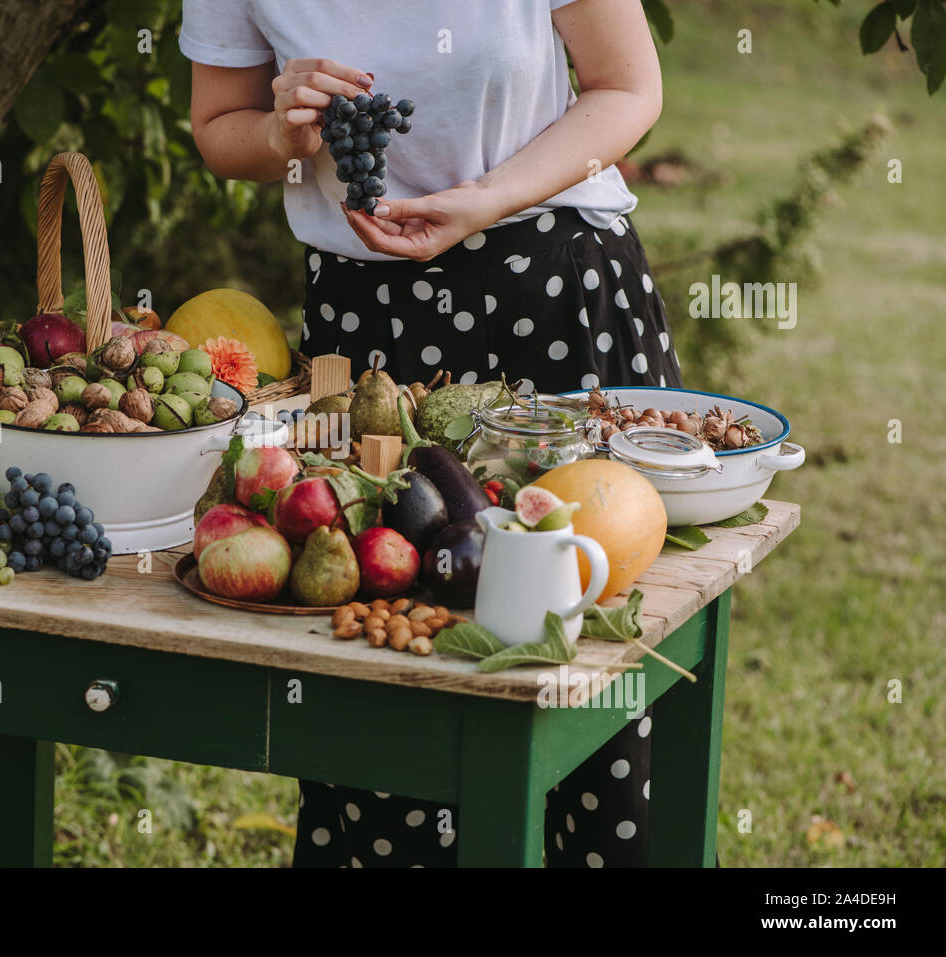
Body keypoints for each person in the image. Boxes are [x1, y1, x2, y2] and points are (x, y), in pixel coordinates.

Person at [181, 0, 676, 867]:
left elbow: (627, 87)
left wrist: (488, 197)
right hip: (371, 340)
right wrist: (279, 135)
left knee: (591, 664)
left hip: (552, 293)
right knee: (383, 660)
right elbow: (220, 125)